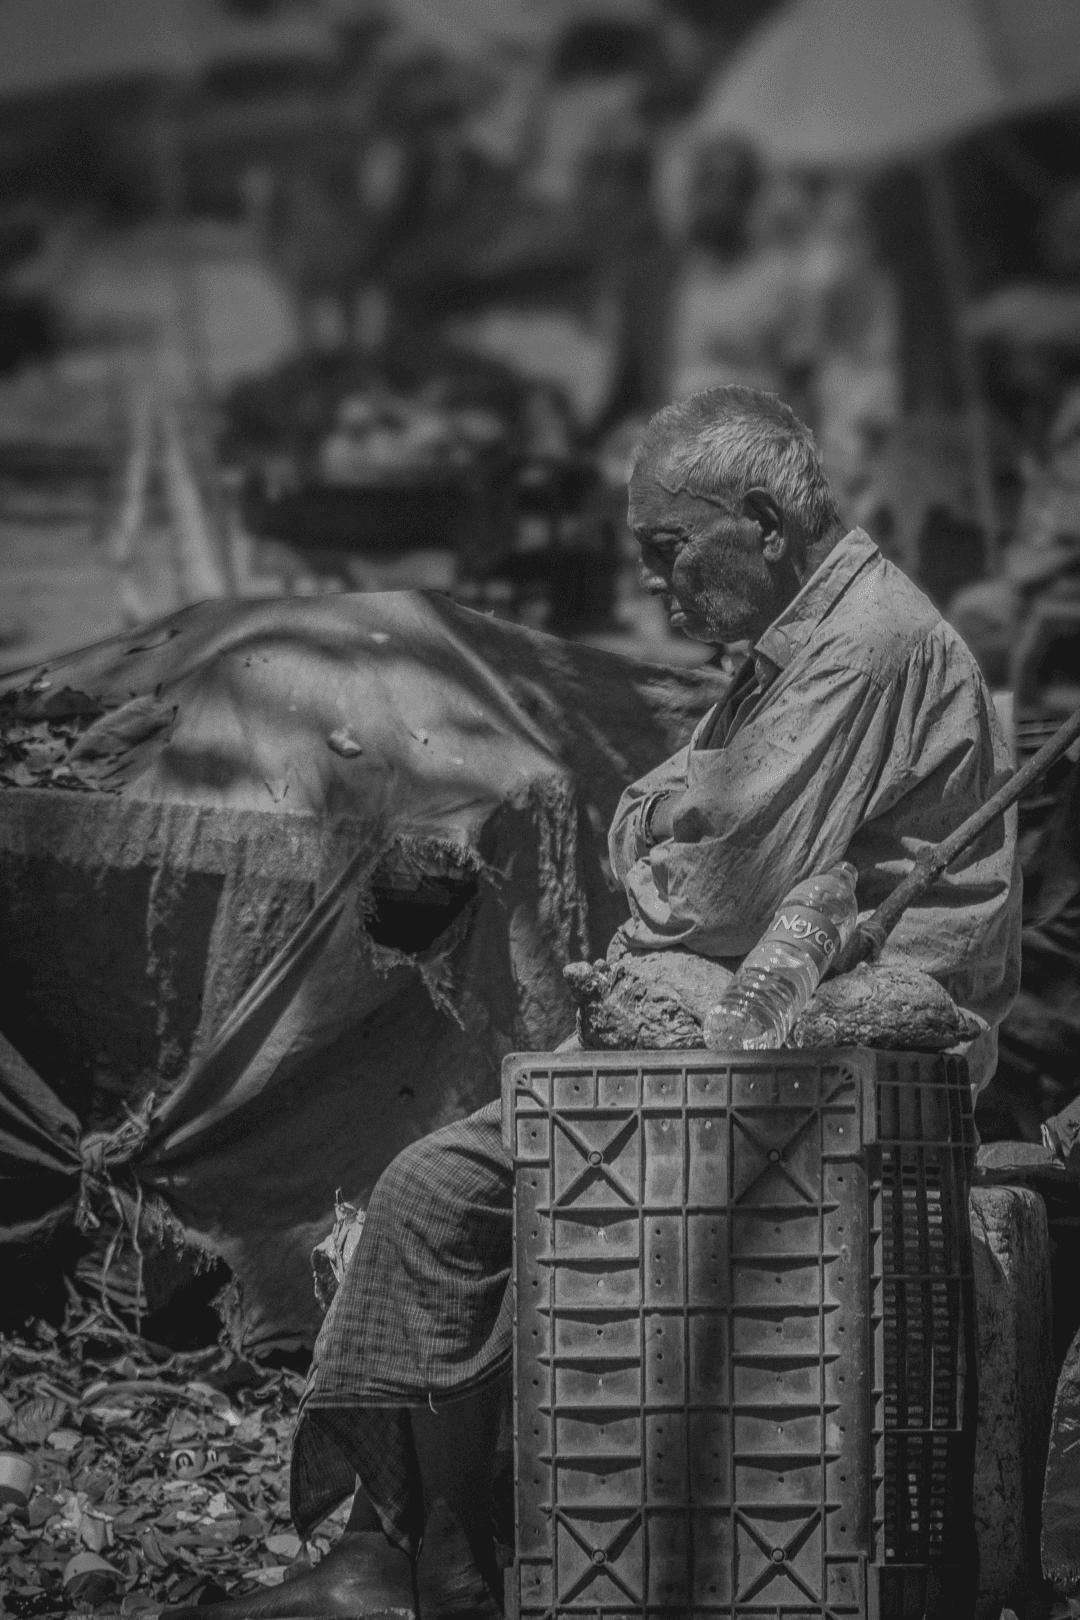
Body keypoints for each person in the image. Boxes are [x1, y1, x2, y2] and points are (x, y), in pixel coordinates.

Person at [177, 388, 1020, 1620]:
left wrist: (667, 841)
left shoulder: (866, 643)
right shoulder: (786, 654)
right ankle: (417, 1552)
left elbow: (705, 891)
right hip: (745, 1037)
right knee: (449, 1195)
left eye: (670, 554)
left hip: (822, 1054)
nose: (659, 593)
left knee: (441, 1193)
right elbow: (673, 827)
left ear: (764, 518)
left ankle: (399, 1558)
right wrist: (670, 834)